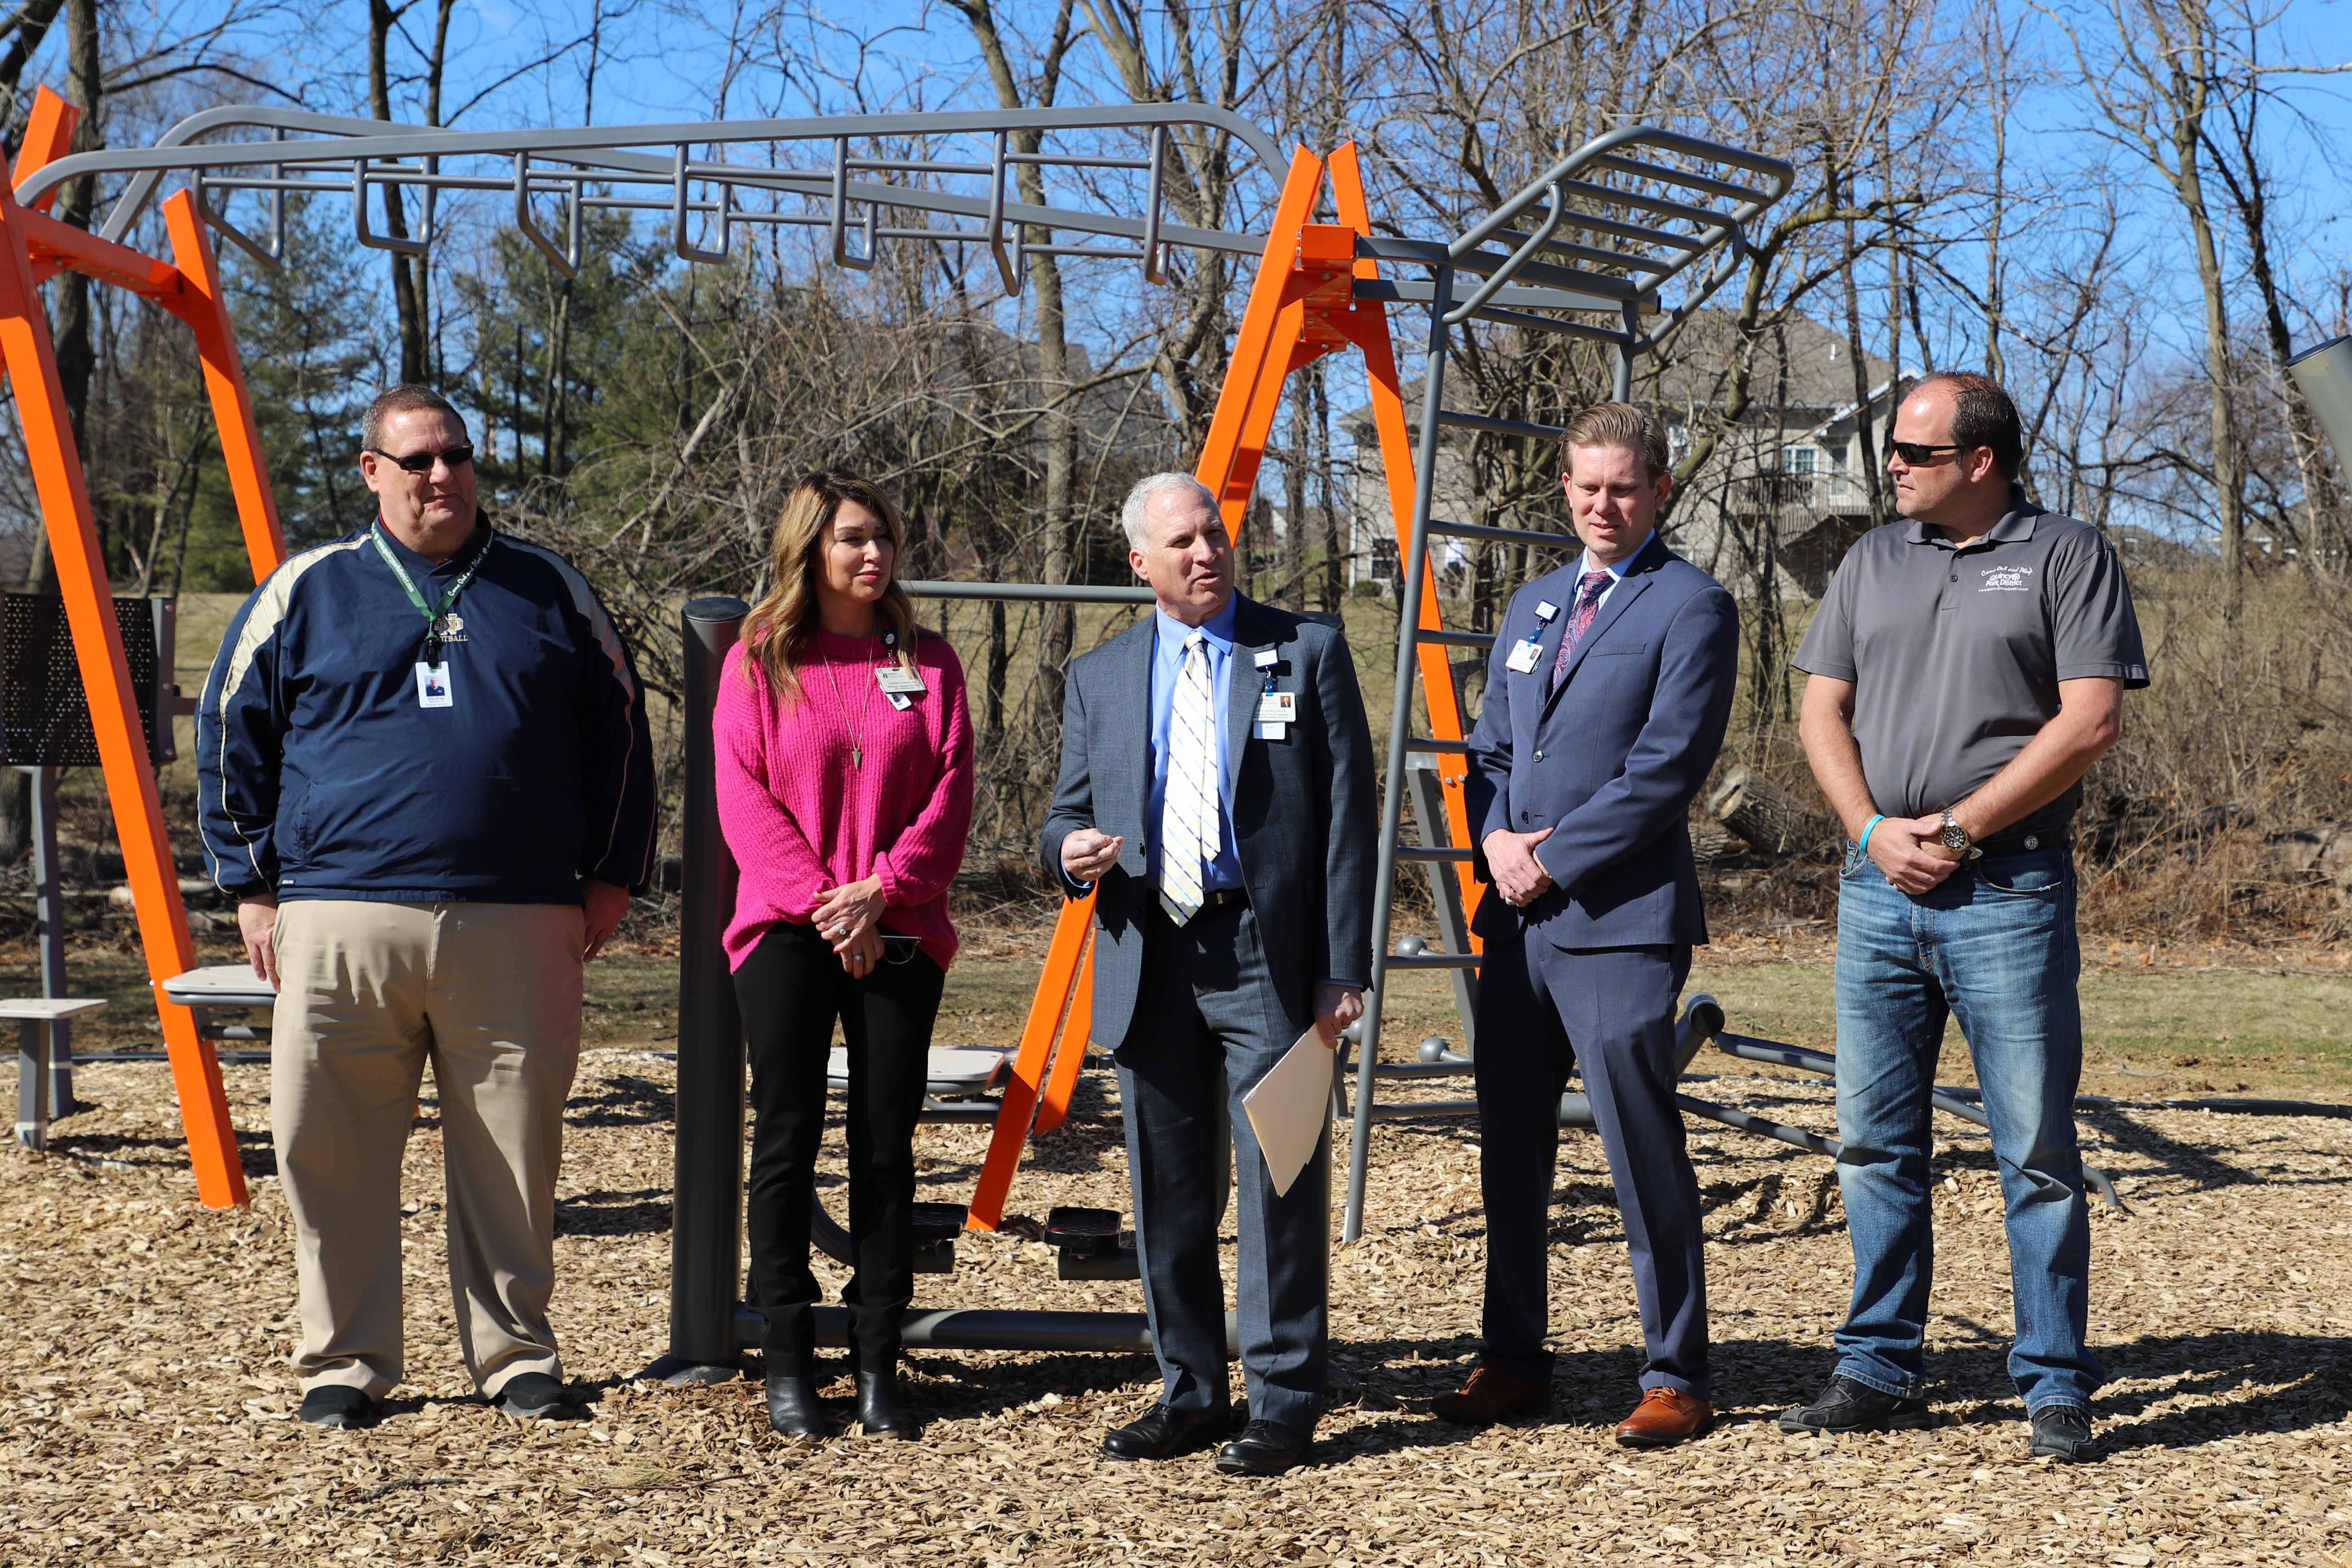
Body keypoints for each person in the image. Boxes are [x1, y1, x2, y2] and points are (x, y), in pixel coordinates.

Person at [198, 384, 657, 1431]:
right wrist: (251, 884)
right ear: (371, 472)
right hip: (339, 919)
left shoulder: (549, 589)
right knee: (331, 1148)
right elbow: (233, 733)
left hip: (518, 917)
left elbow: (622, 733)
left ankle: (514, 1355)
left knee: (511, 1150)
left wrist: (615, 871)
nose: (439, 475)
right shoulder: (309, 588)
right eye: (414, 460)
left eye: (454, 455)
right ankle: (346, 1360)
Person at [1784, 372, 2145, 1463]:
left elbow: (2089, 721)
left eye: (1910, 451)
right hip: (1876, 891)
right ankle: (1877, 1365)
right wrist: (1869, 831)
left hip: (2007, 891)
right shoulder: (1868, 559)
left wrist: (1956, 828)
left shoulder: (2066, 555)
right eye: (1891, 451)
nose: (1888, 465)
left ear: (1978, 461)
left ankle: (2049, 1379)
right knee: (1870, 1141)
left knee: (2031, 1149)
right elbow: (1818, 705)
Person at [1041, 472, 1375, 1478]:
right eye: (1180, 541)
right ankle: (1189, 1390)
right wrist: (1069, 852)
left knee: (1280, 1178)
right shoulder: (1097, 678)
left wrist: (1339, 968)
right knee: (1168, 1191)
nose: (1205, 552)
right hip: (1147, 956)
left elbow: (1349, 825)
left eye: (1215, 533)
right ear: (1138, 562)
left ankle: (1280, 1401)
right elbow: (1059, 816)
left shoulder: (1303, 650)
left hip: (1263, 960)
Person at [1434, 402, 1739, 1448]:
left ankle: (1675, 1370)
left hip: (1616, 918)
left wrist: (1550, 853)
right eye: (1583, 486)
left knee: (1635, 1143)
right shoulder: (1531, 605)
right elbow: (1490, 754)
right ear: (1561, 489)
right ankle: (1513, 1356)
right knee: (1509, 1145)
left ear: (1658, 489)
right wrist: (1496, 844)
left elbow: (1665, 769)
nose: (1600, 505)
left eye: (1620, 487)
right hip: (1514, 921)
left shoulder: (1691, 606)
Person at [714, 469, 974, 1442]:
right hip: (786, 932)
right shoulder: (758, 661)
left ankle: (877, 1358)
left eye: (884, 539)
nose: (875, 555)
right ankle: (788, 1354)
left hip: (900, 927)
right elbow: (746, 802)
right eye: (854, 539)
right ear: (808, 549)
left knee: (884, 1145)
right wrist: (832, 905)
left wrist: (880, 893)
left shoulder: (931, 663)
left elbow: (949, 797)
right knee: (785, 1136)